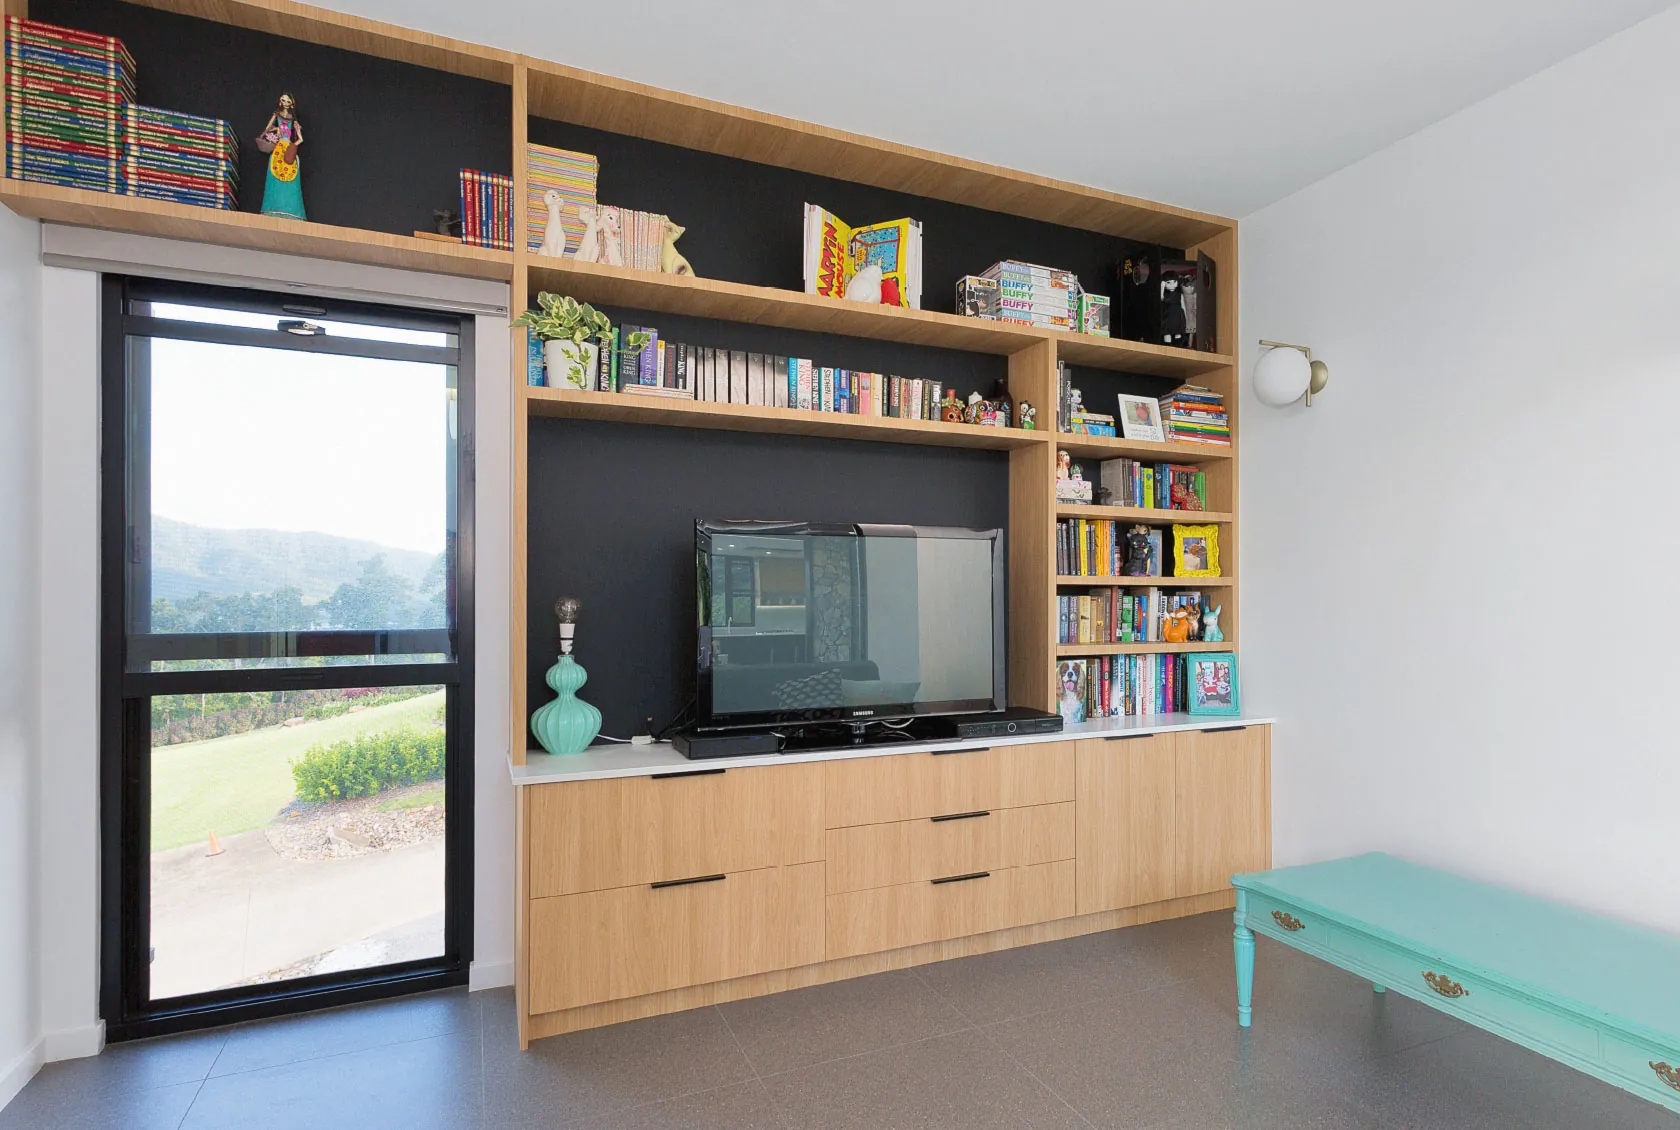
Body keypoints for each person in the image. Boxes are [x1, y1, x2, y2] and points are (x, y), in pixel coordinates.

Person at [258, 93, 305, 220]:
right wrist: (275, 130)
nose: (284, 103)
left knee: (290, 180)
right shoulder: (276, 116)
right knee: (275, 179)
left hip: (288, 151)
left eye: (287, 101)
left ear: (291, 103)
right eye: (282, 100)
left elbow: (300, 139)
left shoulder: (293, 121)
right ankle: (272, 208)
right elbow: (266, 130)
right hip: (278, 150)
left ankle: (291, 210)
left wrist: (292, 147)